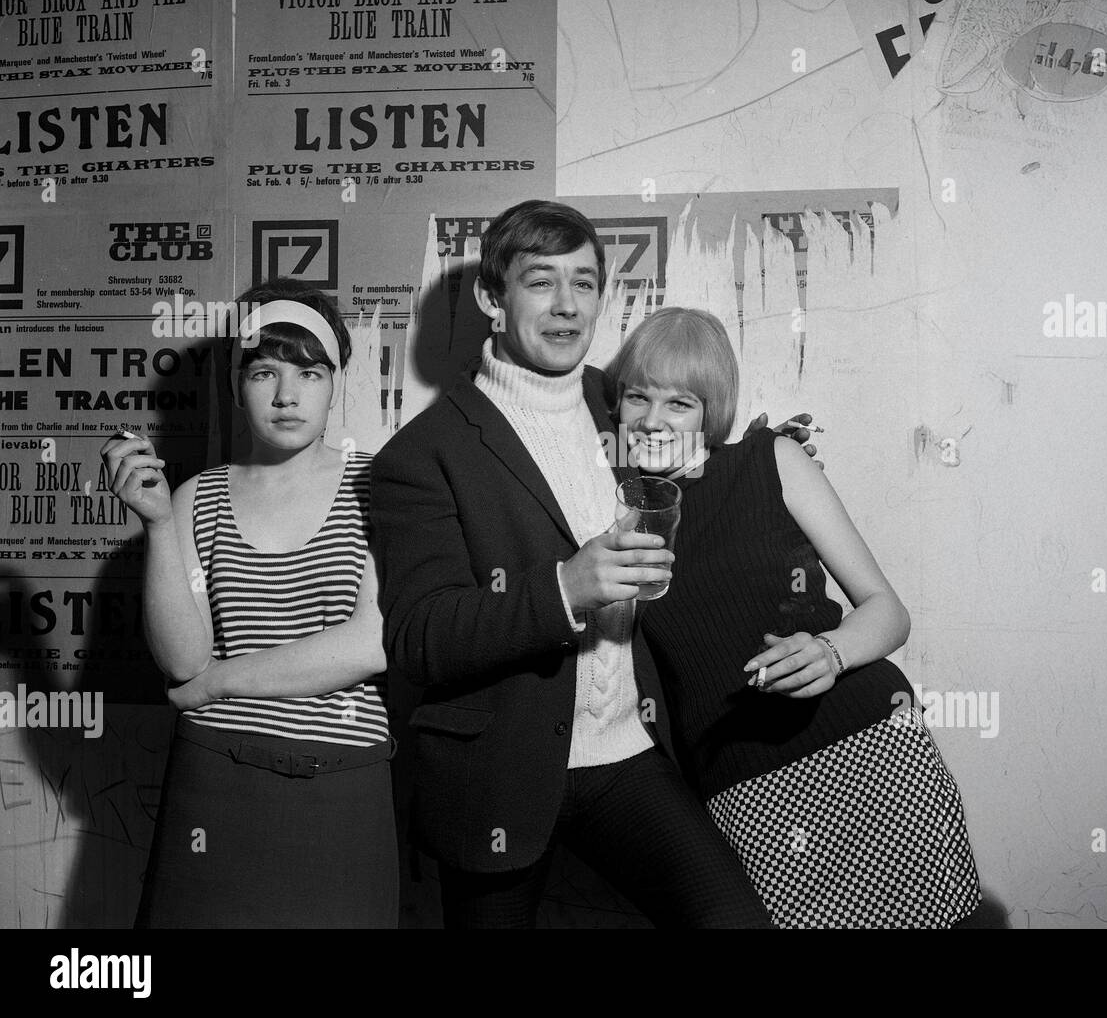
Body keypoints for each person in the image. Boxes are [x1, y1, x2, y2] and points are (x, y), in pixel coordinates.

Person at [369, 200, 780, 928]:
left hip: (627, 756)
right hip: (496, 775)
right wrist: (566, 587)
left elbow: (707, 446)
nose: (567, 307)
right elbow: (420, 637)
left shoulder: (621, 402)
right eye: (541, 283)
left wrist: (779, 451)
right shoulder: (423, 455)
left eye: (584, 283)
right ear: (493, 299)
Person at [606, 305, 983, 929]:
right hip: (744, 786)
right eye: (636, 397)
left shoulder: (771, 459)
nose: (650, 421)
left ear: (712, 411)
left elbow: (888, 611)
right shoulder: (612, 513)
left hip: (872, 751)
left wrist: (831, 651)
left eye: (680, 403)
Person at [102, 278, 398, 928]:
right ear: (237, 384)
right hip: (213, 783)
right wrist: (156, 524)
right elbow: (184, 661)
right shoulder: (196, 499)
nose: (287, 395)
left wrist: (218, 686)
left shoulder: (382, 487)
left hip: (341, 787)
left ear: (336, 383)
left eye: (309, 372)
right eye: (264, 371)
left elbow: (372, 640)